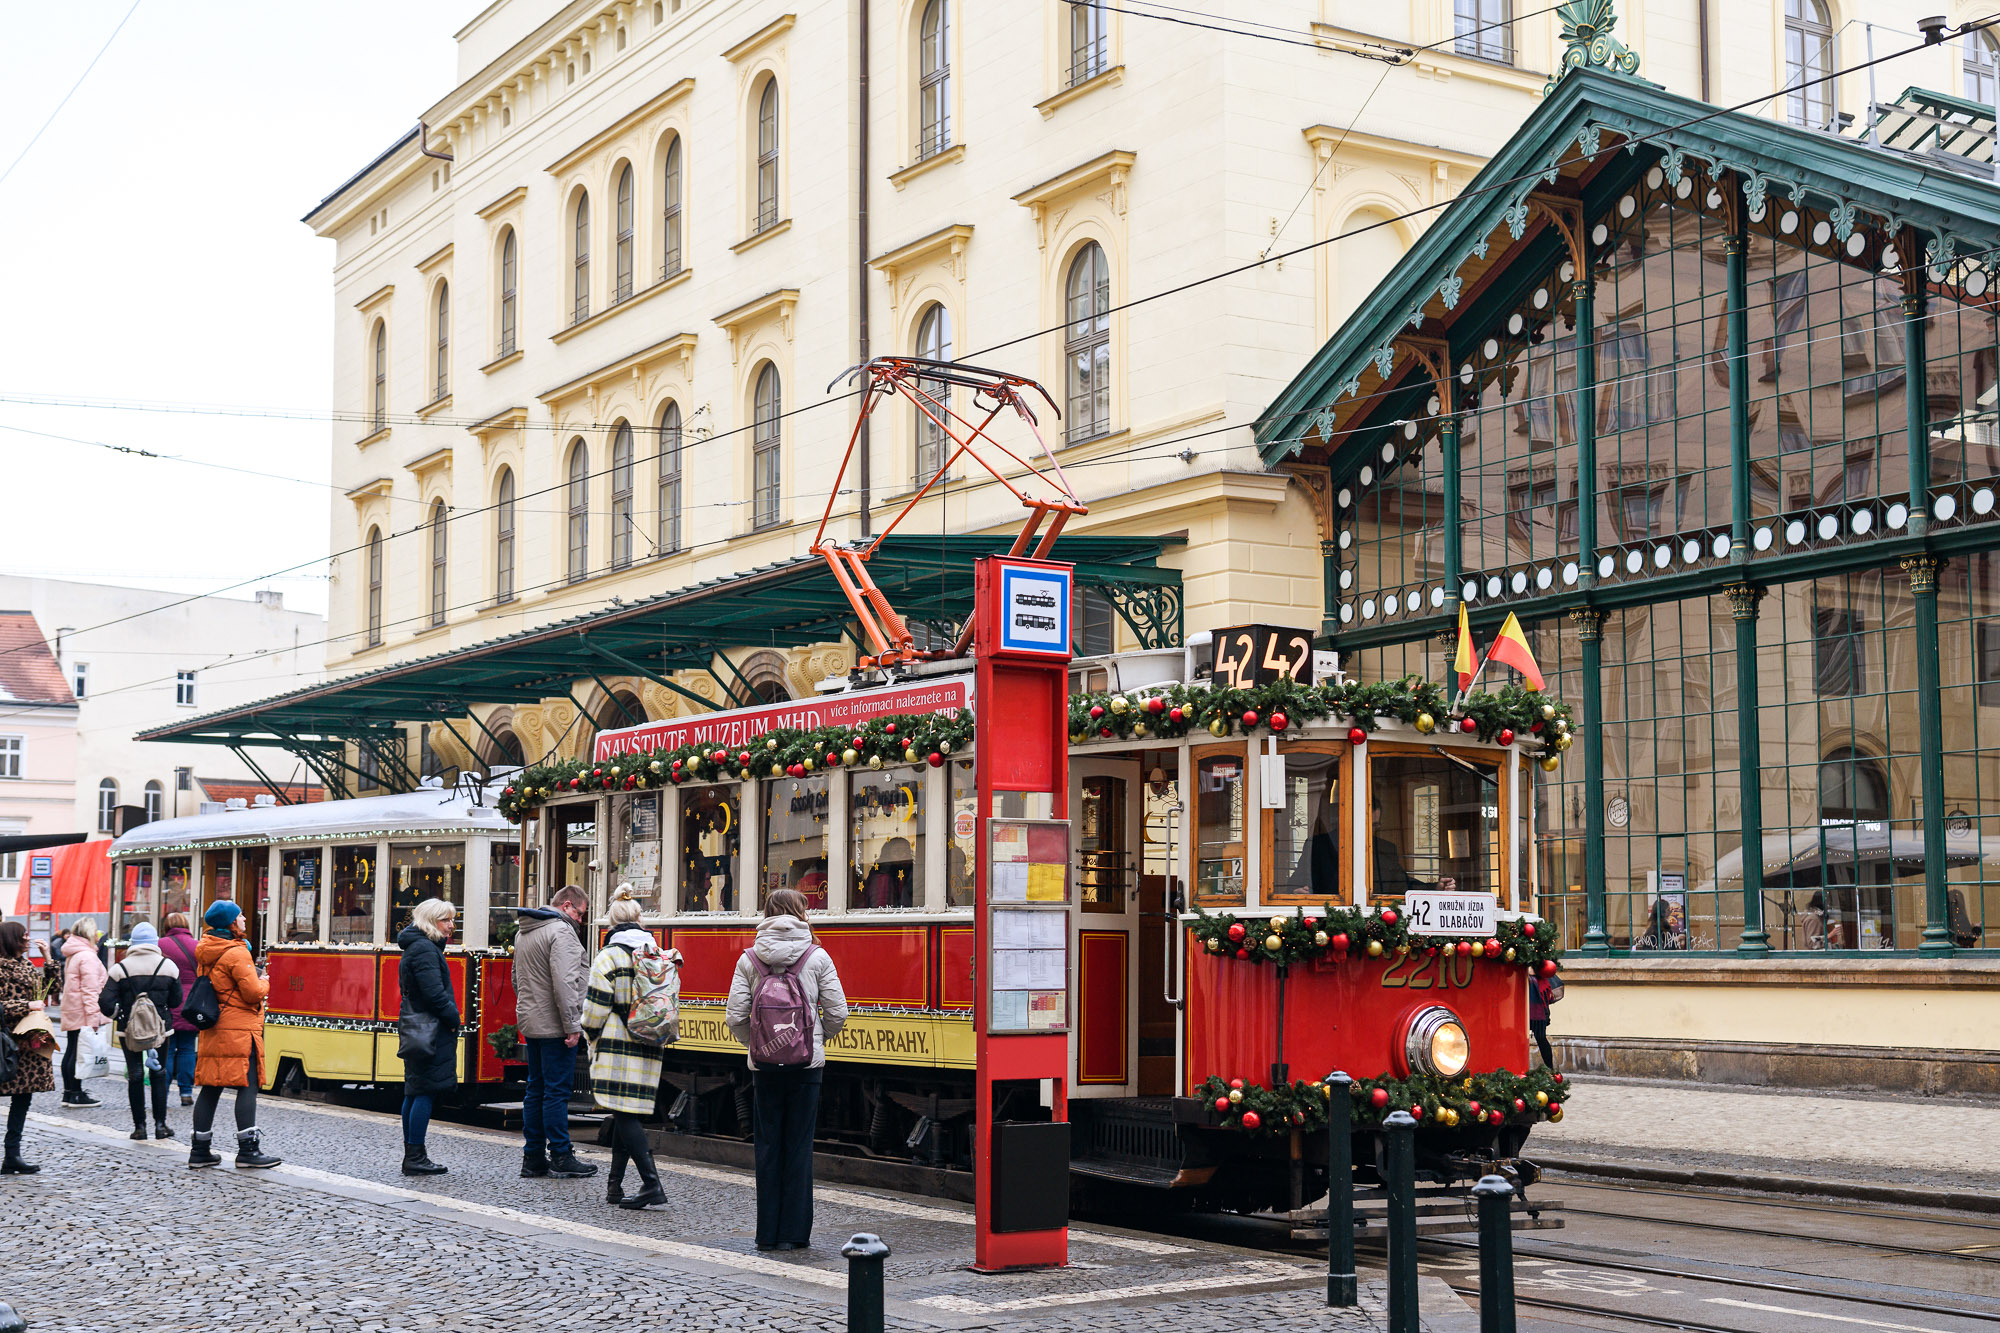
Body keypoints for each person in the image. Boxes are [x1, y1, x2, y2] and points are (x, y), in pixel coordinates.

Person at [725, 888, 847, 1251]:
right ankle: (795, 1236)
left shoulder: (749, 958)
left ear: (767, 912)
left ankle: (767, 1235)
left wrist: (758, 1045)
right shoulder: (817, 956)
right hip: (806, 1067)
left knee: (767, 1146)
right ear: (800, 913)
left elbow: (734, 1017)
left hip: (764, 1067)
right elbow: (838, 1012)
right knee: (798, 1146)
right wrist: (815, 1042)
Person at [582, 890, 671, 1209]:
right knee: (625, 1112)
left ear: (612, 922)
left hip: (616, 1044)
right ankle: (614, 1188)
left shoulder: (609, 956)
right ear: (639, 920)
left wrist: (591, 1036)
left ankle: (651, 1184)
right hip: (649, 1041)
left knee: (623, 1112)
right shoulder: (655, 951)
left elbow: (594, 1010)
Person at [510, 885, 596, 1180]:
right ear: (568, 905)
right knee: (557, 1092)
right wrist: (572, 1025)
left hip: (532, 1022)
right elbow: (565, 983)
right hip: (557, 1025)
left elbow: (515, 979)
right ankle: (560, 1153)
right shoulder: (561, 933)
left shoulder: (525, 931)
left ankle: (533, 1157)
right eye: (581, 914)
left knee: (535, 1088)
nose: (581, 921)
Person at [189, 900, 279, 1169]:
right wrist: (266, 981)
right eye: (240, 916)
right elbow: (252, 992)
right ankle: (248, 1151)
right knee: (246, 1085)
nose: (244, 919)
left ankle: (200, 1150)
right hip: (239, 1028)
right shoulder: (236, 953)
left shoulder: (207, 950)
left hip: (215, 1026)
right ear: (230, 922)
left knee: (212, 1086)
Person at [396, 898, 461, 1176]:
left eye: (451, 920)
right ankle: (415, 1156)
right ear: (430, 921)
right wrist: (453, 1017)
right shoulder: (424, 949)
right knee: (423, 1091)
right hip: (430, 1029)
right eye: (445, 920)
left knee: (415, 1090)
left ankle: (414, 1154)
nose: (451, 925)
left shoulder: (420, 947)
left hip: (419, 1028)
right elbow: (434, 994)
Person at [102, 922, 182, 1141]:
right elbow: (176, 1001)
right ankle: (160, 1125)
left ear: (133, 944)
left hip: (130, 1029)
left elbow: (105, 1003)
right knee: (159, 1073)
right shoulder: (168, 966)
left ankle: (139, 1128)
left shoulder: (120, 969)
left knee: (135, 1075)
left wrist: (120, 1013)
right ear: (155, 942)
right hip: (161, 1030)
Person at [0, 921, 57, 1174]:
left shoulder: (26, 965)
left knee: (22, 1100)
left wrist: (48, 958)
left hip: (27, 1044)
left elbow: (52, 990)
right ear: (11, 939)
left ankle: (12, 1154)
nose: (28, 938)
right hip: (5, 1044)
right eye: (22, 935)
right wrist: (26, 1006)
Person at [58, 919, 107, 1108]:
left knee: (71, 1049)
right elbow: (90, 989)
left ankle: (69, 1092)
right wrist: (94, 1016)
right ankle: (76, 1094)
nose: (97, 935)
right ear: (89, 933)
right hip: (83, 1010)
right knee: (76, 1052)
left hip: (73, 1007)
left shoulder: (74, 953)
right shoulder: (87, 956)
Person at [157, 912, 201, 1106]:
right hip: (191, 1003)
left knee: (168, 1050)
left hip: (168, 1001)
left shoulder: (160, 945)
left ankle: (163, 1092)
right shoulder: (197, 945)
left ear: (167, 925)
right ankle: (186, 1092)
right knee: (187, 1049)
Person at [1528, 971, 1554, 1070]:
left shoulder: (1540, 959)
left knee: (1540, 1037)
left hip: (1538, 1005)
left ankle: (1550, 1070)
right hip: (1520, 1001)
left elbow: (1533, 970)